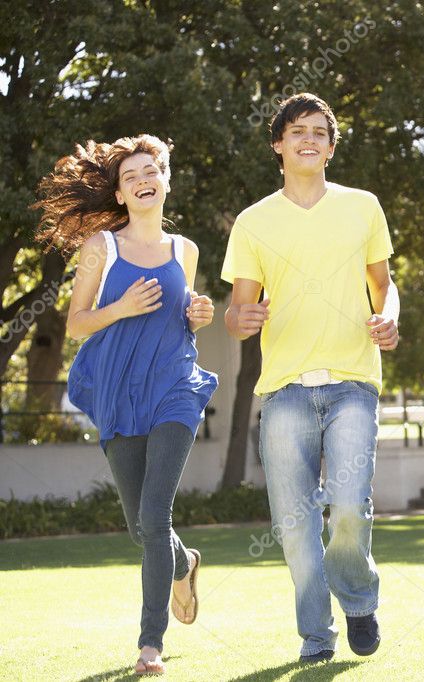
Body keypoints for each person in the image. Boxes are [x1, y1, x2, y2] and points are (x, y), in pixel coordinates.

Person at [222, 92, 399, 662]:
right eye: (297, 130)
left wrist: (389, 315)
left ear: (329, 145)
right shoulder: (253, 222)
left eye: (320, 132)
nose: (309, 139)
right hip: (284, 390)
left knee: (349, 505)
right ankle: (315, 637)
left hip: (352, 380)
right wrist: (239, 318)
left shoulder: (363, 206)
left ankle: (358, 599)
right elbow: (237, 313)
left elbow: (384, 284)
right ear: (278, 143)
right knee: (295, 526)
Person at [34, 134, 217, 675]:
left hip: (174, 388)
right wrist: (121, 307)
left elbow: (181, 316)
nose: (142, 180)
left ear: (165, 181)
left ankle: (149, 644)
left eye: (150, 170)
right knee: (142, 528)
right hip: (118, 390)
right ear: (119, 193)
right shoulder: (102, 249)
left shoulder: (186, 249)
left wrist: (198, 314)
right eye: (130, 175)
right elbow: (76, 323)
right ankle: (183, 564)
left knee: (154, 514)